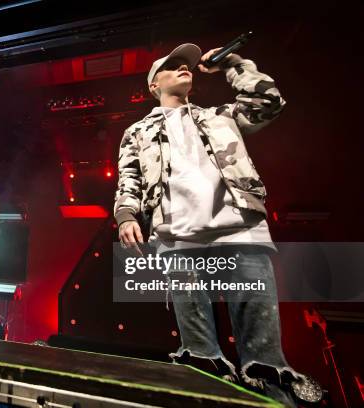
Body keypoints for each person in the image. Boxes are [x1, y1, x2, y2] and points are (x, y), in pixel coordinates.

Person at [114, 44, 315, 405]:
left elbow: (269, 101)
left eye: (186, 65)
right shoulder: (137, 132)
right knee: (201, 352)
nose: (183, 68)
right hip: (179, 241)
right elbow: (128, 179)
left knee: (264, 355)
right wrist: (126, 215)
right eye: (172, 66)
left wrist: (234, 64)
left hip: (241, 231)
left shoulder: (221, 116)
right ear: (153, 85)